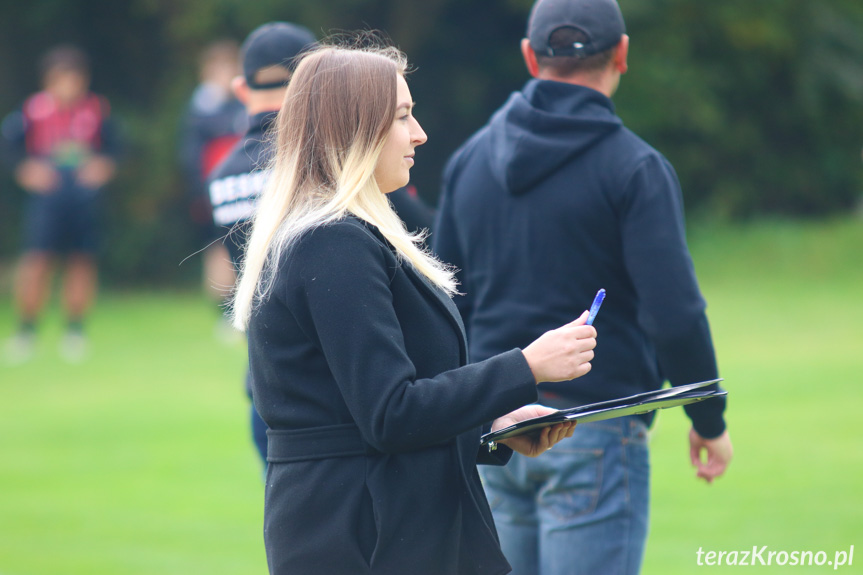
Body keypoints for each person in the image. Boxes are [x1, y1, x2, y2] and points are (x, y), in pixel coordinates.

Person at [230, 43, 599, 575]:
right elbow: (388, 416)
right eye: (402, 115)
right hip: (363, 539)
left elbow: (362, 413)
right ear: (355, 128)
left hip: (383, 528)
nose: (419, 133)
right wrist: (526, 366)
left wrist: (491, 425)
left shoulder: (340, 236)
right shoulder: (332, 245)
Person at [433, 0, 733, 573]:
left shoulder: (468, 161)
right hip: (595, 429)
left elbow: (445, 306)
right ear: (622, 54)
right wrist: (709, 419)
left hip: (492, 430)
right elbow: (674, 314)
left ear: (529, 56)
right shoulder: (635, 167)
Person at [208, 20, 318, 466]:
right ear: (318, 82)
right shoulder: (331, 160)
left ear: (240, 88)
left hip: (267, 386)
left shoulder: (222, 177)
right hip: (336, 392)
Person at [1, 45, 119, 363]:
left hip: (83, 200)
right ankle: (26, 331)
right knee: (37, 263)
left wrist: (103, 167)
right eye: (61, 79)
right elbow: (9, 149)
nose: (68, 86)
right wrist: (25, 170)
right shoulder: (31, 111)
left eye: (74, 79)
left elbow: (117, 149)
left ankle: (75, 331)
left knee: (81, 263)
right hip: (47, 202)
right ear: (48, 81)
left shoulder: (97, 110)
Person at [178, 39, 247, 335]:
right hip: (213, 190)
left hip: (245, 186)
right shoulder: (199, 109)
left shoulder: (244, 104)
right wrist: (201, 190)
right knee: (218, 249)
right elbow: (191, 155)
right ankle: (225, 312)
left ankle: (246, 309)